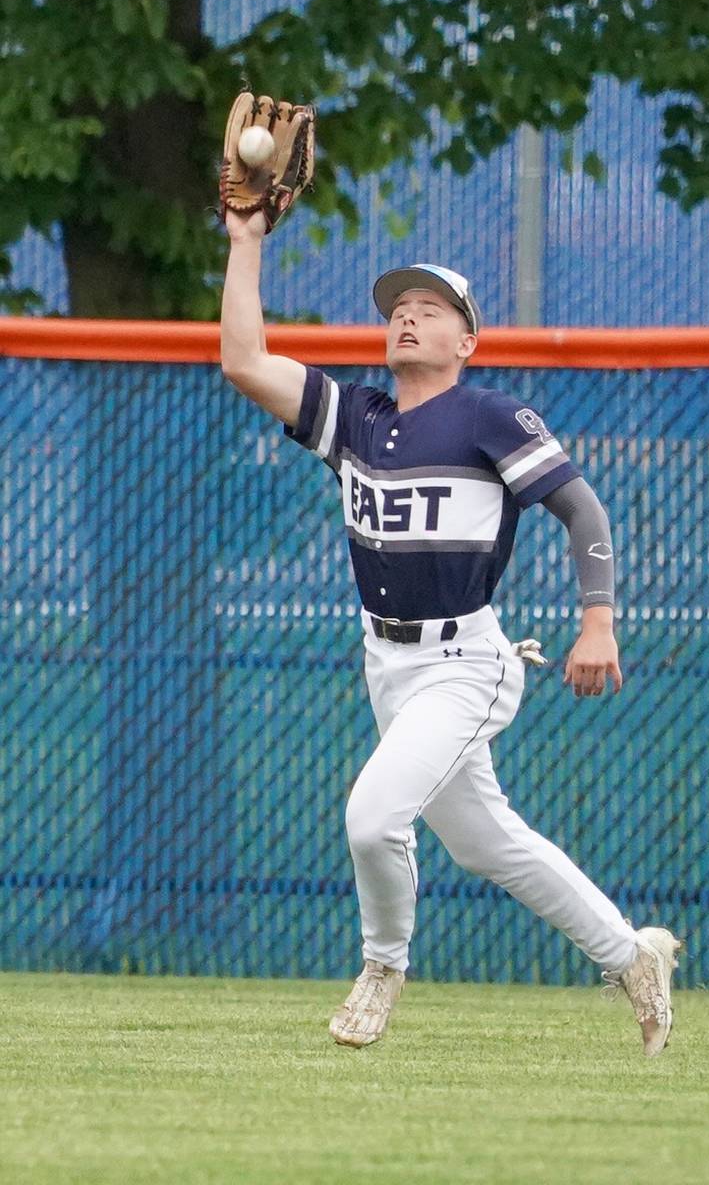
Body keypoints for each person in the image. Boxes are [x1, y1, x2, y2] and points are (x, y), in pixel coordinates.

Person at [219, 207, 682, 1056]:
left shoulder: (487, 416)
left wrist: (598, 620)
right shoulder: (354, 418)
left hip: (466, 661)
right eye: (400, 305)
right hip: (385, 661)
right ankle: (633, 957)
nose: (408, 315)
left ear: (467, 340)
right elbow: (244, 361)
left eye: (432, 308)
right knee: (486, 843)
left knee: (372, 819)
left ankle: (381, 968)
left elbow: (580, 509)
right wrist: (247, 240)